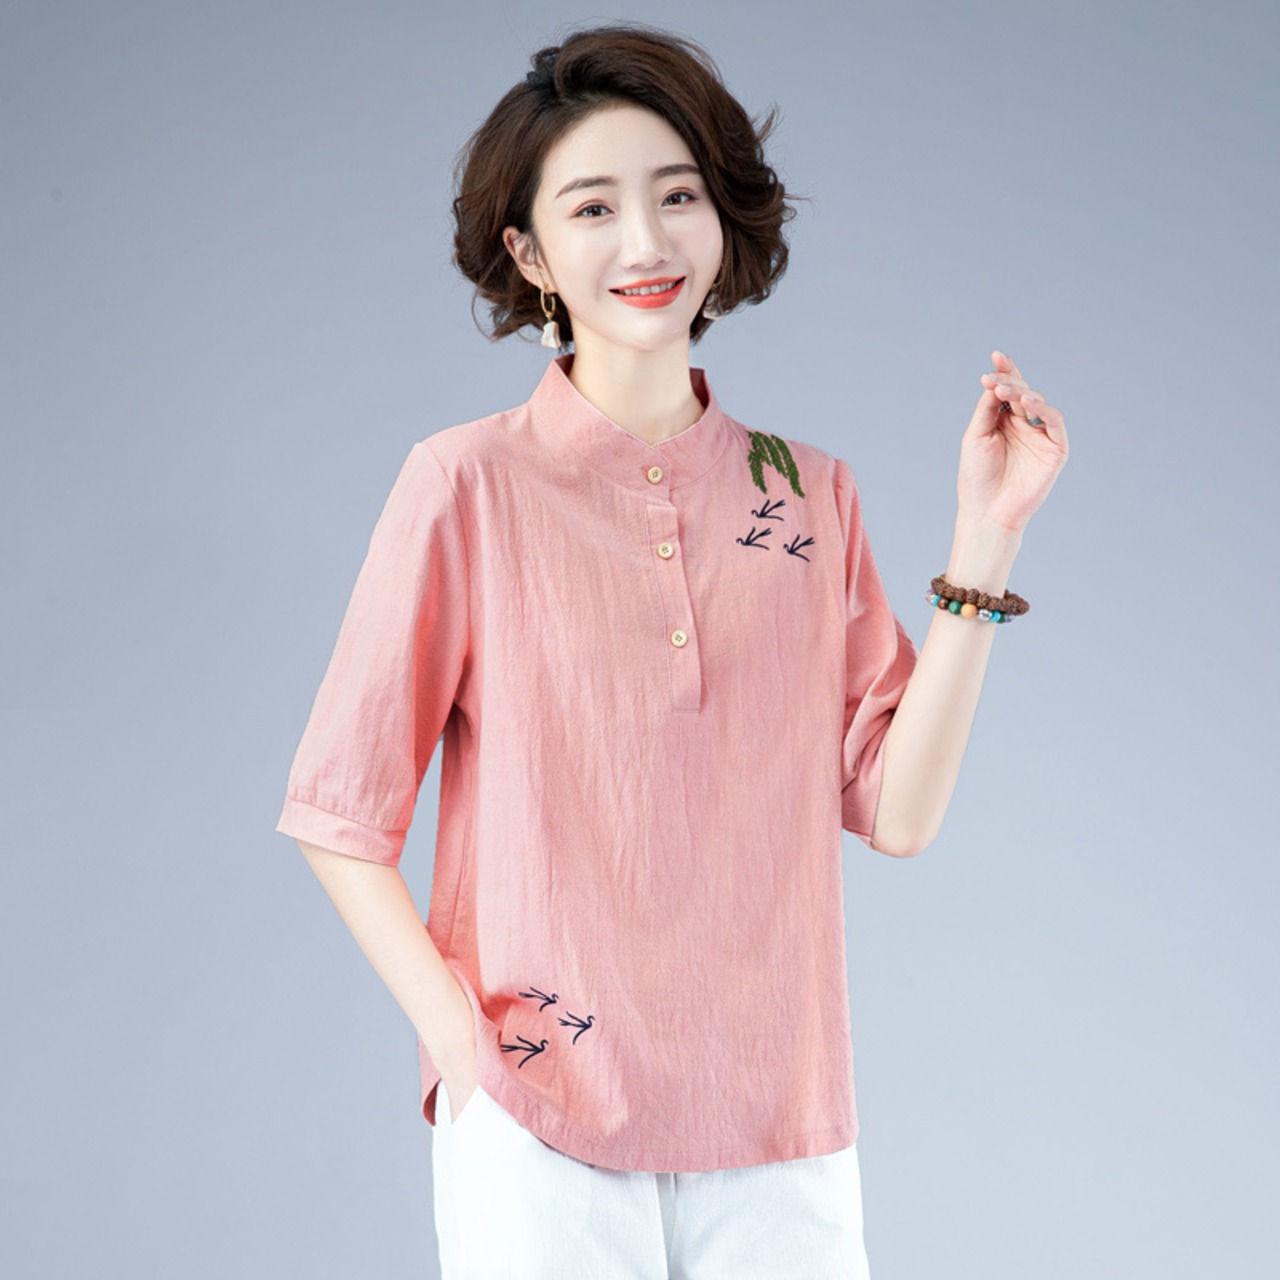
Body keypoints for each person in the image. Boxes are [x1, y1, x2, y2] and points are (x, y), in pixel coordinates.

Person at [274, 22, 1068, 1279]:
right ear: (529, 253)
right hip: (539, 1111)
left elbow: (897, 811)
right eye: (593, 208)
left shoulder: (804, 493)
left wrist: (987, 535)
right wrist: (462, 1053)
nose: (644, 242)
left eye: (677, 196)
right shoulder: (466, 485)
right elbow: (337, 812)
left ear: (721, 219)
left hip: (781, 1124)